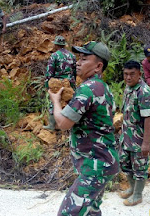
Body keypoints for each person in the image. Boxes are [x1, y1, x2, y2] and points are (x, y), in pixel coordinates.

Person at [48, 41, 119, 215]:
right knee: (91, 211)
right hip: (102, 163)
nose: (78, 62)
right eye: (79, 58)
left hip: (95, 166)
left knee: (68, 213)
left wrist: (56, 102)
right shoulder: (103, 88)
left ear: (98, 66)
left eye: (84, 59)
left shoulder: (87, 90)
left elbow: (63, 123)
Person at [119, 60, 150, 206]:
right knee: (125, 162)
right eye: (126, 74)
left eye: (132, 74)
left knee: (139, 167)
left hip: (139, 137)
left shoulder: (144, 92)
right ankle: (132, 188)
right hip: (127, 135)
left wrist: (146, 143)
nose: (128, 77)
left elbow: (148, 118)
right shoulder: (129, 88)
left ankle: (137, 194)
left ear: (139, 74)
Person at [43, 35, 76, 130]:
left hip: (57, 83)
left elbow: (49, 73)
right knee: (71, 102)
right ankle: (71, 126)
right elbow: (74, 71)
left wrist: (47, 85)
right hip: (69, 82)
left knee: (54, 102)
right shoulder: (72, 56)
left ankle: (52, 125)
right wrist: (73, 84)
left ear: (56, 45)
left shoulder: (54, 56)